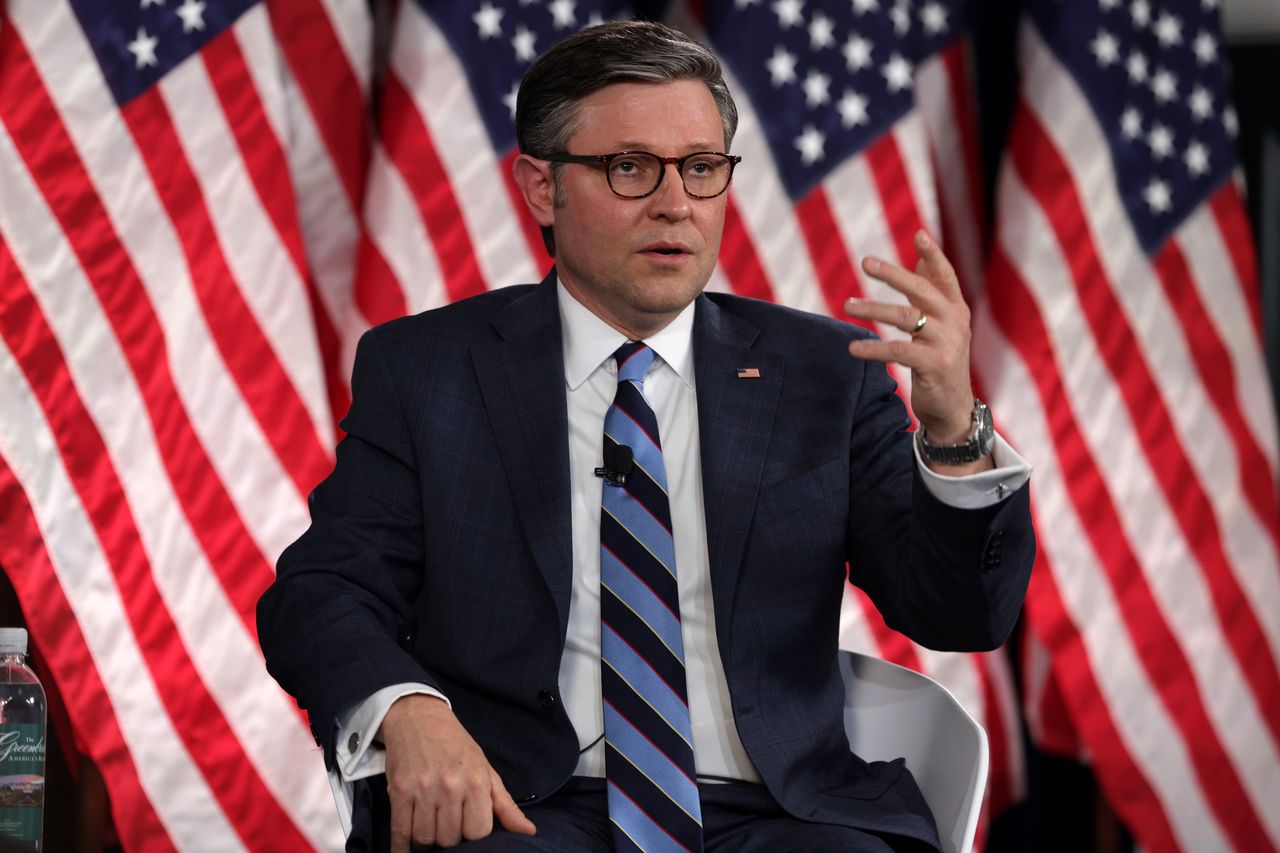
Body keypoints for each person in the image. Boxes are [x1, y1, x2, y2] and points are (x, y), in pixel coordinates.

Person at [257, 20, 1034, 853]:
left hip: (775, 817)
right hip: (524, 807)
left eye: (702, 169)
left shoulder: (820, 374)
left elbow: (959, 614)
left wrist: (953, 429)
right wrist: (407, 708)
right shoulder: (431, 372)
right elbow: (320, 592)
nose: (676, 203)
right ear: (541, 188)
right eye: (630, 167)